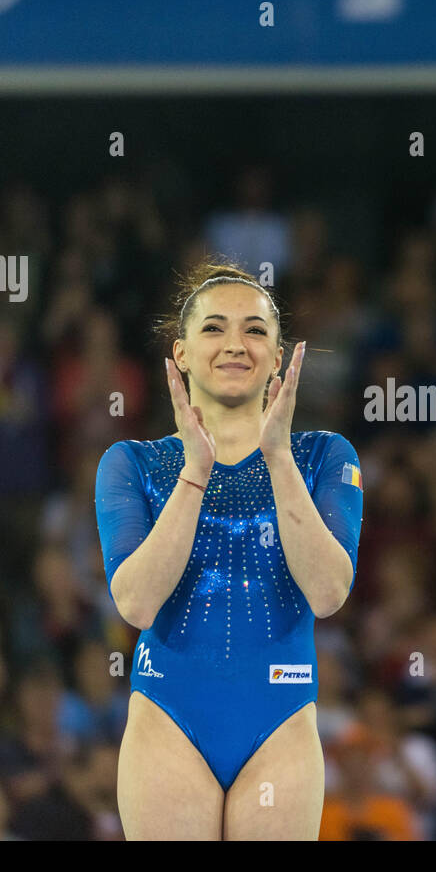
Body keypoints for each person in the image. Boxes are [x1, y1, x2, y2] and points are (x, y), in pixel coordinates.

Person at [95, 258, 364, 839]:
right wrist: (196, 471)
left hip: (280, 721)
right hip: (169, 715)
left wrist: (279, 456)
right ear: (182, 353)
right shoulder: (132, 463)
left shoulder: (325, 457)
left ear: (278, 355)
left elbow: (328, 593)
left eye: (255, 330)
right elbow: (137, 605)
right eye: (214, 328)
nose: (235, 344)